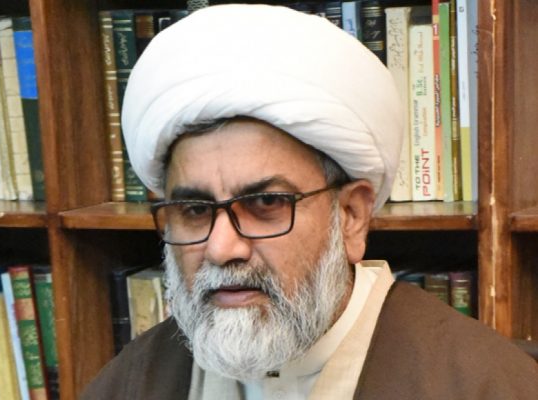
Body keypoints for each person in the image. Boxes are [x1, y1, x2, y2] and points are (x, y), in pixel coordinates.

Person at [81, 4, 538, 399]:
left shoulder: (487, 383)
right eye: (195, 211)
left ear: (352, 216)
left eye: (266, 203)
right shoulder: (134, 380)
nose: (221, 248)